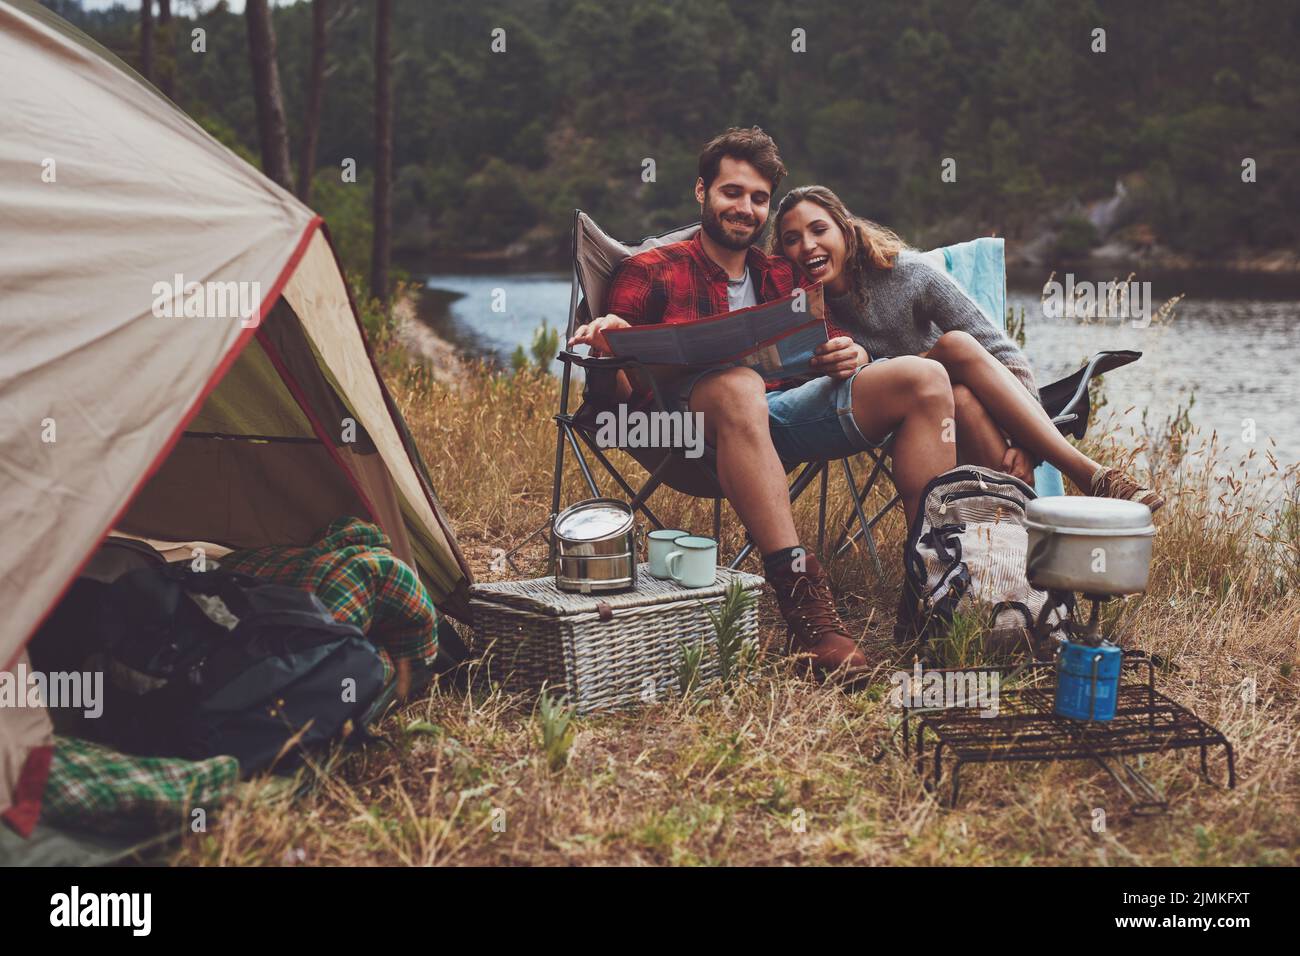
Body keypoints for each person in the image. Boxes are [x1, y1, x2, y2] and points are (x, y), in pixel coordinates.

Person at [568, 128, 958, 685]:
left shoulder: (782, 276)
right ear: (700, 191)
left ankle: (934, 585)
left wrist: (842, 353)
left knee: (925, 377)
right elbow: (615, 397)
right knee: (735, 387)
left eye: (757, 198)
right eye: (732, 192)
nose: (744, 208)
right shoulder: (652, 269)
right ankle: (805, 606)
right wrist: (613, 342)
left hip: (781, 416)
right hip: (684, 431)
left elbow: (811, 352)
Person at [769, 185, 1164, 510]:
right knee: (956, 370)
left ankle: (1038, 521)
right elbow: (794, 385)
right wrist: (849, 363)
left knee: (959, 369)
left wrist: (1027, 445)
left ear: (846, 231)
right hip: (889, 417)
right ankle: (1076, 487)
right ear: (782, 253)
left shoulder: (907, 275)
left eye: (819, 230)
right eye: (792, 239)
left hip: (954, 410)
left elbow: (1005, 355)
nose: (807, 245)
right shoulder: (795, 308)